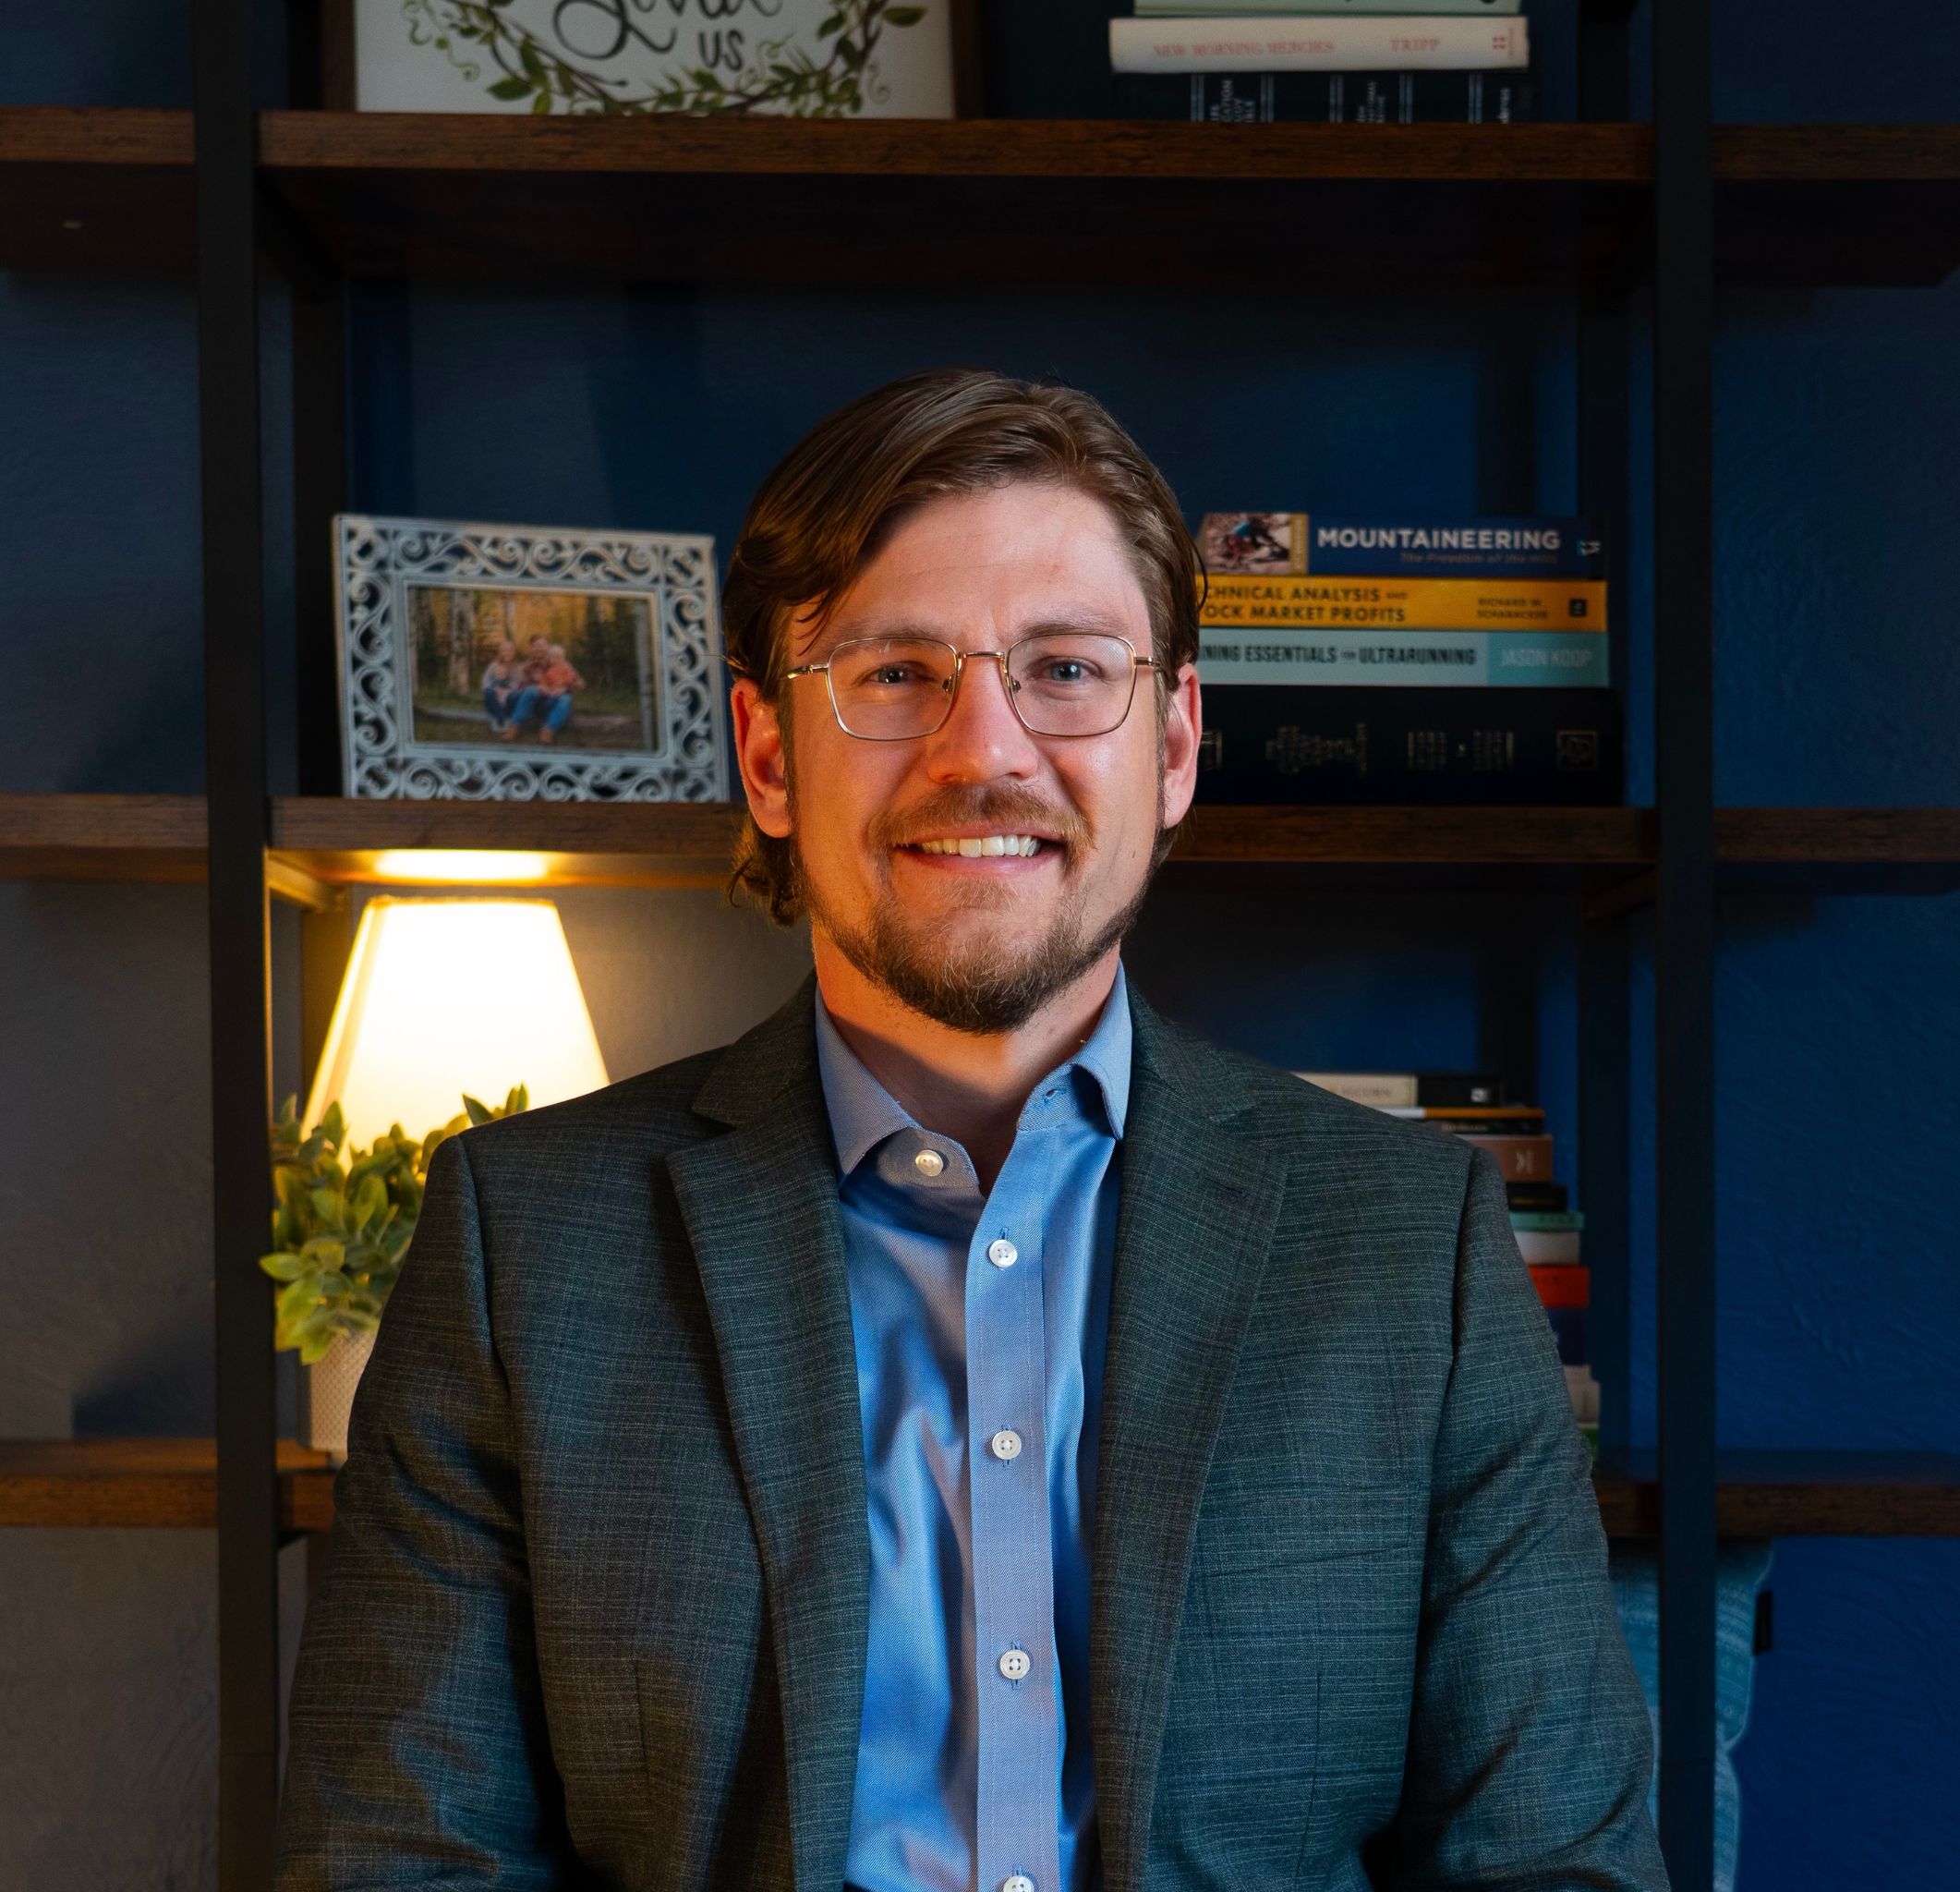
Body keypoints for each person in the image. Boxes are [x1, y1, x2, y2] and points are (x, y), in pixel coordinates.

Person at [276, 370, 1668, 1891]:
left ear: (1179, 741)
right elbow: (397, 1860)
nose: (982, 747)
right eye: (891, 674)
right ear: (763, 755)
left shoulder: (1418, 1248)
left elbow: (1551, 1865)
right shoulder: (521, 1241)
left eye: (1066, 669)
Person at [503, 638, 587, 743]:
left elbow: (580, 684)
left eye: (543, 645)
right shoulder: (530, 666)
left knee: (566, 699)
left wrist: (565, 687)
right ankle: (514, 726)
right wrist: (541, 687)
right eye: (536, 646)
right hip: (537, 704)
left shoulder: (564, 665)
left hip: (554, 702)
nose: (540, 649)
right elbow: (522, 687)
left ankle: (548, 730)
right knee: (530, 690)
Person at [479, 637, 523, 733]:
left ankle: (502, 718)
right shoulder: (494, 666)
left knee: (515, 695)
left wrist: (507, 691)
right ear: (500, 653)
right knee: (488, 692)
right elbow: (485, 682)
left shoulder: (518, 668)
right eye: (504, 650)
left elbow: (519, 685)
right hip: (494, 699)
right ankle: (501, 718)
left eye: (510, 650)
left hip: (508, 699)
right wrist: (495, 689)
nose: (507, 653)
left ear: (514, 652)